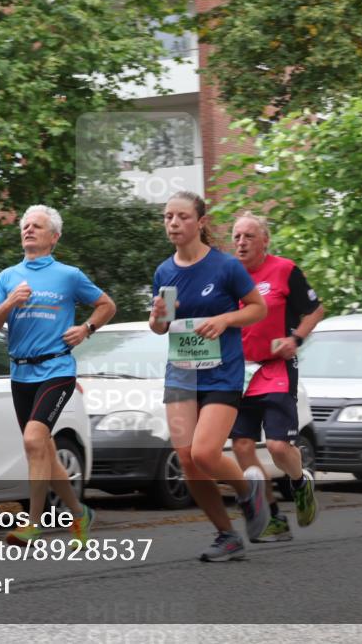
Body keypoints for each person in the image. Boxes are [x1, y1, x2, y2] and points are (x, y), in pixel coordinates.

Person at [0, 205, 116, 547]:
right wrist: (10, 302)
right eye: (25, 225)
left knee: (32, 440)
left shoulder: (68, 275)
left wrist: (86, 328)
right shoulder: (8, 278)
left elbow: (106, 305)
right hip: (20, 371)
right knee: (45, 449)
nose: (28, 230)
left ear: (53, 237)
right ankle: (79, 513)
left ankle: (32, 522)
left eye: (37, 226)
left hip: (56, 369)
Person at [149, 191, 268, 561]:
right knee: (186, 459)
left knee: (204, 452)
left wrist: (225, 319)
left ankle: (250, 492)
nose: (173, 223)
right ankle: (227, 536)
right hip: (181, 374)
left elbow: (257, 309)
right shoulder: (164, 272)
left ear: (200, 222)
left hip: (221, 373)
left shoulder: (225, 267)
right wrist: (156, 318)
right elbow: (161, 327)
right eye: (168, 217)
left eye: (182, 216)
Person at [230, 211, 325, 540]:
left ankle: (300, 482)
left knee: (277, 446)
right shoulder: (228, 276)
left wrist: (295, 339)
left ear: (265, 240)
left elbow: (315, 311)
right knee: (241, 444)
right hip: (239, 371)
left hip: (276, 367)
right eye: (237, 237)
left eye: (249, 236)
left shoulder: (284, 270)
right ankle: (272, 516)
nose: (241, 243)